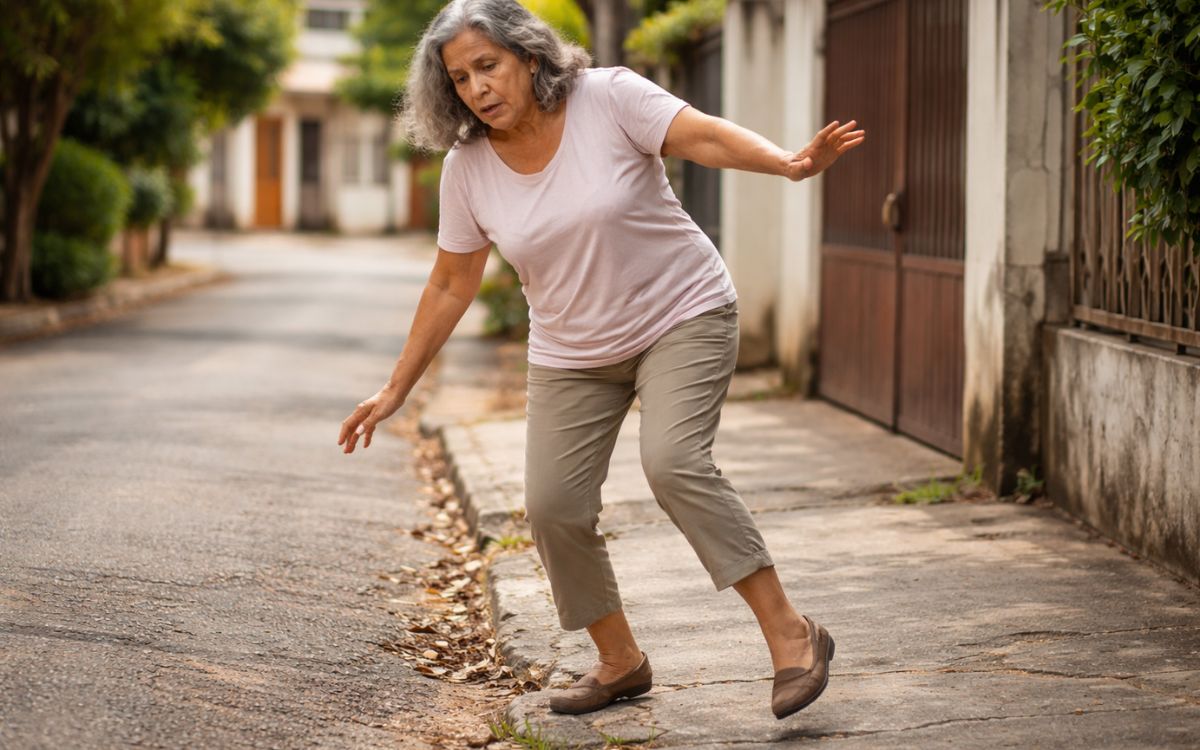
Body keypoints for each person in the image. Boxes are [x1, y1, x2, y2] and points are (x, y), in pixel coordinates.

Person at [338, 0, 864, 719]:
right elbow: (451, 281)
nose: (477, 88)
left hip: (681, 313)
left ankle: (792, 635)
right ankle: (620, 661)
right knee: (553, 506)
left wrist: (788, 163)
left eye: (487, 65)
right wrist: (395, 387)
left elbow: (701, 138)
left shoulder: (608, 97)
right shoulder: (467, 171)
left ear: (527, 55)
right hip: (572, 351)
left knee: (674, 463)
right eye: (459, 79)